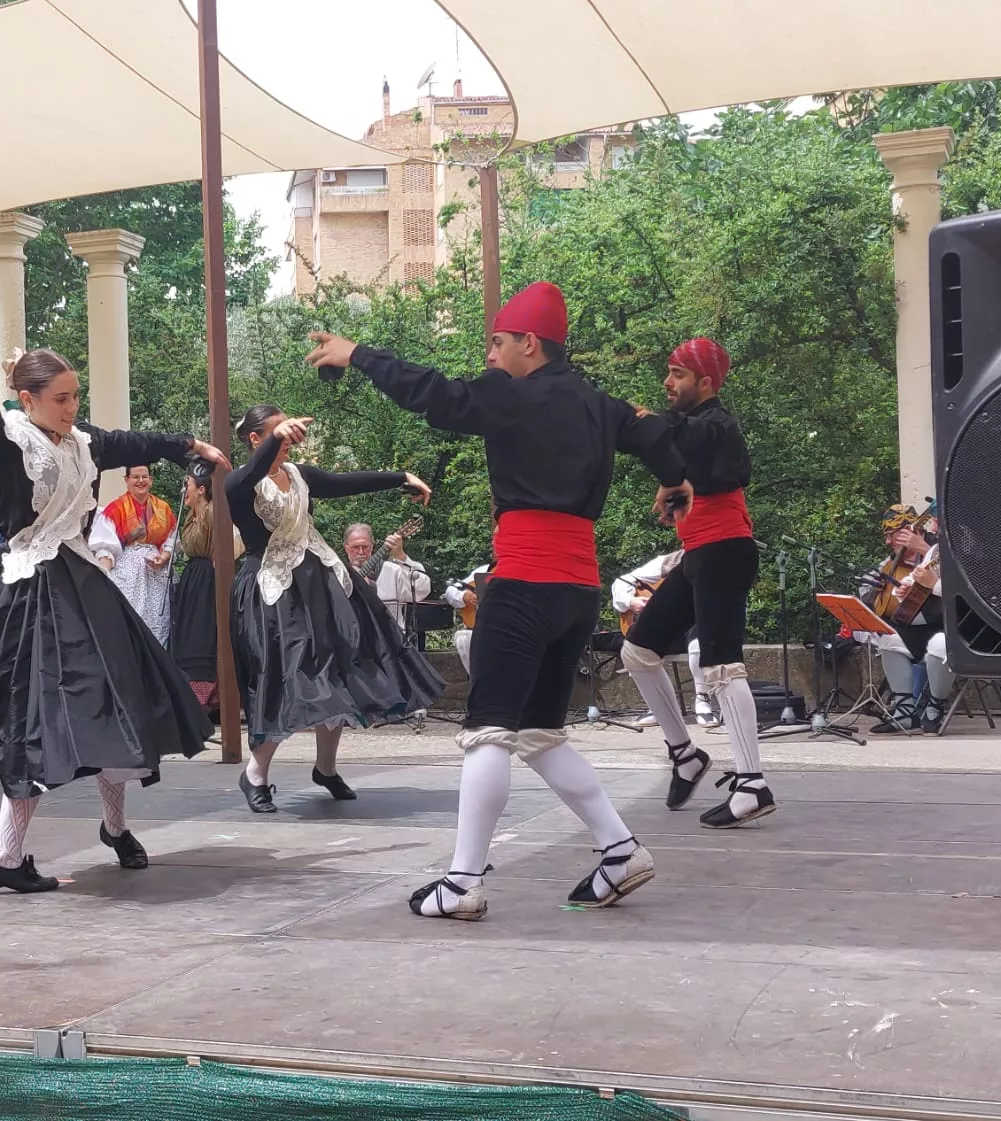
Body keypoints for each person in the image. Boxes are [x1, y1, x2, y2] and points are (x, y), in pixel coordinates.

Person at [306, 281, 689, 918]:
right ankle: (620, 850)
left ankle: (462, 883)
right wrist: (675, 482)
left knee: (488, 731)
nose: (489, 354)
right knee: (540, 733)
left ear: (529, 344)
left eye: (496, 342)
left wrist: (361, 355)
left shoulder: (511, 396)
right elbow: (657, 438)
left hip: (525, 583)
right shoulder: (603, 406)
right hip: (577, 589)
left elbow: (438, 396)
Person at [0, 243, 226, 895]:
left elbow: (132, 441)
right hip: (21, 597)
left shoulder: (82, 441)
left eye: (75, 397)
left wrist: (188, 445)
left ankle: (114, 826)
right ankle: (4, 854)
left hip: (80, 588)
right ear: (28, 397)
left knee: (118, 700)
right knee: (34, 719)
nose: (72, 407)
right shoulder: (8, 443)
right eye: (62, 398)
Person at [227, 406, 442, 813]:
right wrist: (277, 437)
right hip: (275, 594)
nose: (288, 439)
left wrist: (401, 477)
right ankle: (255, 773)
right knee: (291, 675)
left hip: (323, 585)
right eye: (277, 432)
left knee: (341, 671)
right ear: (255, 438)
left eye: (288, 430)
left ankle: (325, 767)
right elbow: (254, 470)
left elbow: (347, 482)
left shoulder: (299, 475)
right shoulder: (239, 483)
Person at [622, 338, 772, 828]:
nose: (668, 382)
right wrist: (675, 492)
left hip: (724, 552)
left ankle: (752, 784)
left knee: (722, 666)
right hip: (701, 555)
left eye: (678, 374)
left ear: (705, 382)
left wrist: (633, 417)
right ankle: (685, 755)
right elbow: (693, 466)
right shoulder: (697, 430)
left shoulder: (717, 424)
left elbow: (693, 440)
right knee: (637, 651)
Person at [856, 507, 950, 732]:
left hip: (949, 626)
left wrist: (923, 548)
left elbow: (959, 580)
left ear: (910, 530)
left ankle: (935, 708)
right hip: (917, 626)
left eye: (893, 535)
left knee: (939, 644)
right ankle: (905, 711)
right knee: (888, 637)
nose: (888, 542)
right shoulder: (892, 562)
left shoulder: (942, 546)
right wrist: (904, 591)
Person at [610, 550, 715, 727]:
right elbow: (623, 580)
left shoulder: (719, 565)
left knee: (700, 634)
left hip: (693, 631)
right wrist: (630, 602)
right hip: (666, 631)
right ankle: (658, 707)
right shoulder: (673, 560)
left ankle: (702, 701)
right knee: (637, 645)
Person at [167, 461, 234, 712]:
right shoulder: (191, 515)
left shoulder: (214, 512)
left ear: (201, 489)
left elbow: (228, 545)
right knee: (189, 633)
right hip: (193, 577)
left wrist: (219, 572)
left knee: (204, 633)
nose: (184, 490)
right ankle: (191, 697)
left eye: (188, 485)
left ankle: (210, 697)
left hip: (209, 577)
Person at [89, 464, 175, 643]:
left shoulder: (163, 508)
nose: (140, 481)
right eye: (135, 477)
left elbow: (171, 541)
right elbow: (106, 547)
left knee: (156, 625)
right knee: (127, 623)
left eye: (144, 477)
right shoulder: (115, 509)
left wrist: (163, 558)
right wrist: (103, 574)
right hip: (127, 573)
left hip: (155, 574)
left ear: (151, 480)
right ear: (126, 480)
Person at [342, 523, 431, 640]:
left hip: (391, 639)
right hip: (354, 640)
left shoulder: (392, 570)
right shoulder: (339, 574)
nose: (361, 552)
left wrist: (401, 556)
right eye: (355, 547)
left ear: (372, 546)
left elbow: (422, 589)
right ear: (346, 548)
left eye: (365, 546)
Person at [442, 561, 490, 673]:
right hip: (481, 630)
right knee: (463, 637)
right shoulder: (483, 571)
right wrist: (464, 596)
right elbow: (451, 591)